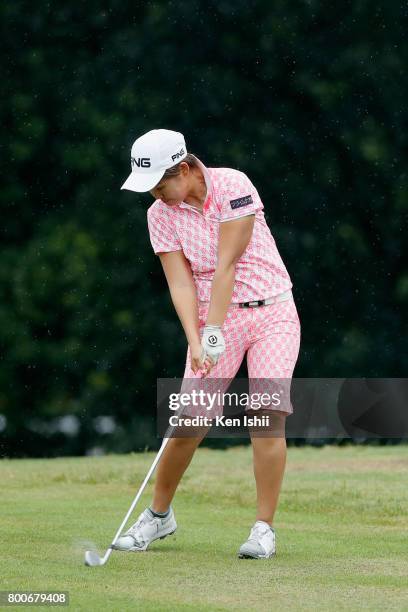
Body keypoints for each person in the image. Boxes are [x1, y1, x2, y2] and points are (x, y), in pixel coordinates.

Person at [113, 128, 301, 559]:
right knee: (189, 422)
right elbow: (180, 283)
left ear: (184, 168)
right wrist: (197, 340)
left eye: (161, 183)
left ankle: (263, 529)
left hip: (272, 311)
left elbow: (226, 266)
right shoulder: (159, 214)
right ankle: (159, 517)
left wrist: (212, 332)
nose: (157, 194)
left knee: (267, 414)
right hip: (214, 318)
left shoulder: (234, 185)